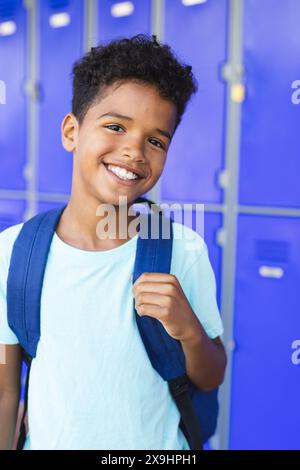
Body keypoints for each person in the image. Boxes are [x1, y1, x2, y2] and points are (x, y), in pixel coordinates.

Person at [0, 34, 226, 450]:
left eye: (156, 140)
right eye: (116, 126)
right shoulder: (15, 252)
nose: (134, 151)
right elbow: (4, 389)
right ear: (72, 131)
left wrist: (189, 330)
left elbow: (212, 374)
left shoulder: (182, 249)